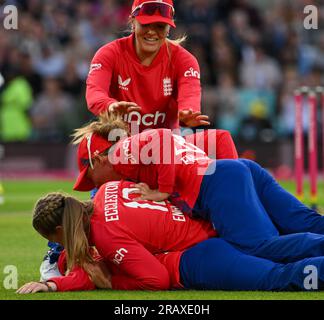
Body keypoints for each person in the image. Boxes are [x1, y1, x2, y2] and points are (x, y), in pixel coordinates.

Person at [72, 119, 324, 264]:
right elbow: (222, 137)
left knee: (256, 248)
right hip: (240, 170)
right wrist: (240, 186)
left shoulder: (119, 154)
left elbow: (161, 139)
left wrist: (163, 191)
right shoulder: (139, 158)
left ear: (98, 159)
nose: (94, 186)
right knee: (301, 220)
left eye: (90, 177)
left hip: (220, 183)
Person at [17, 181, 324, 293]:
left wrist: (111, 281)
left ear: (60, 232)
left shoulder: (104, 235)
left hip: (198, 257)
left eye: (55, 240)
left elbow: (156, 280)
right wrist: (52, 284)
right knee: (282, 245)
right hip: (211, 222)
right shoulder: (107, 190)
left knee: (277, 276)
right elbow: (80, 276)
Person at [86, 0, 211, 131]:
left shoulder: (185, 61)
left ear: (168, 29)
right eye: (146, 24)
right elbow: (95, 93)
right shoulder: (108, 54)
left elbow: (189, 97)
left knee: (222, 138)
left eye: (160, 26)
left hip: (164, 144)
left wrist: (187, 112)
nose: (152, 32)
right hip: (118, 140)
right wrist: (109, 106)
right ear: (132, 21)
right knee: (87, 145)